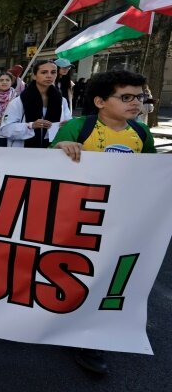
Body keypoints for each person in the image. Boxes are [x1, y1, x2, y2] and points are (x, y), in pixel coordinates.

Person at [49, 70, 155, 375]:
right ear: (99, 101)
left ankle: (90, 338)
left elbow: (151, 175)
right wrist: (60, 149)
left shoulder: (141, 134)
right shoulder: (77, 127)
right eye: (126, 97)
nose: (136, 103)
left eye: (139, 96)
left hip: (119, 220)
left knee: (106, 274)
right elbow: (44, 163)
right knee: (73, 269)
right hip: (76, 218)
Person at [0, 60, 72, 148]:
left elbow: (69, 124)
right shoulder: (19, 101)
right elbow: (5, 130)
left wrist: (67, 125)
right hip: (24, 154)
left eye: (53, 72)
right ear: (34, 75)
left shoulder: (61, 101)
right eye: (44, 72)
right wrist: (31, 126)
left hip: (53, 152)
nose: (49, 76)